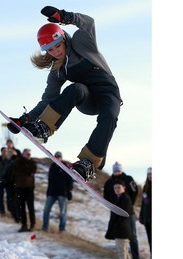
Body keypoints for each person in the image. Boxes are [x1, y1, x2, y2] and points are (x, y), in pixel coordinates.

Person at [7, 6, 123, 182]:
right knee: (76, 88)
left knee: (110, 116)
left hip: (108, 93)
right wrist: (26, 120)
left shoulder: (81, 43)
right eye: (50, 50)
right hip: (88, 100)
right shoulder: (57, 71)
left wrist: (66, 17)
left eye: (58, 46)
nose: (56, 52)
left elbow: (89, 23)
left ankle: (88, 163)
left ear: (63, 39)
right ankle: (44, 128)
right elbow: (47, 100)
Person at [103, 162, 141, 259]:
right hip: (115, 211)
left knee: (132, 235)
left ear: (121, 169)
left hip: (129, 212)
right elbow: (105, 196)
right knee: (119, 236)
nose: (117, 172)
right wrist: (111, 206)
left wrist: (130, 204)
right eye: (115, 170)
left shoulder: (128, 179)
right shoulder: (109, 182)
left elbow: (135, 191)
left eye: (118, 170)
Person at [42, 151, 74, 232]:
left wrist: (69, 191)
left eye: (59, 157)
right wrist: (48, 192)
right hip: (51, 192)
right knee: (46, 210)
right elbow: (50, 180)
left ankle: (62, 229)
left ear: (61, 158)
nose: (57, 158)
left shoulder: (65, 166)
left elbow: (70, 180)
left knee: (63, 212)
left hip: (62, 193)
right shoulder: (52, 167)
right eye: (56, 157)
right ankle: (45, 227)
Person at [105, 180, 134, 259]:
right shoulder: (119, 198)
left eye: (119, 187)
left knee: (121, 252)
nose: (117, 189)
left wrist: (116, 226)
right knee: (124, 251)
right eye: (115, 188)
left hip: (122, 230)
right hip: (121, 230)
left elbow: (124, 215)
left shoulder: (125, 198)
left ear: (124, 188)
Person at [11, 148, 37, 232]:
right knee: (21, 207)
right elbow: (16, 171)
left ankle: (33, 225)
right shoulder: (18, 162)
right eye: (27, 154)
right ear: (23, 154)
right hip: (19, 188)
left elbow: (33, 170)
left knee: (31, 207)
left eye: (30, 154)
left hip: (29, 188)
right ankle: (24, 225)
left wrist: (26, 167)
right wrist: (25, 167)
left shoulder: (32, 162)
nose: (29, 156)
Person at [139, 167, 152, 259]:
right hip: (147, 218)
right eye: (149, 174)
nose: (150, 176)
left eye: (151, 174)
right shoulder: (145, 187)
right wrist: (141, 216)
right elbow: (143, 204)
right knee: (150, 239)